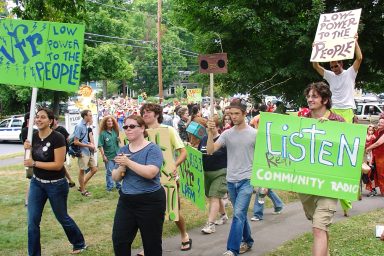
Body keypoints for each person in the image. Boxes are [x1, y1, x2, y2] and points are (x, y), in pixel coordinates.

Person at [23, 108, 87, 255]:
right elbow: (27, 162)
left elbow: (58, 165)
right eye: (37, 117)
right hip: (37, 183)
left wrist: (34, 163)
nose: (39, 119)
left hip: (56, 185)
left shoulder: (57, 138)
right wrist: (26, 149)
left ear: (50, 121)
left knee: (62, 217)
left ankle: (79, 243)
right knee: (32, 222)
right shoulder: (33, 136)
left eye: (43, 117)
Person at [312, 34, 362, 217]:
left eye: (337, 65)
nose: (335, 68)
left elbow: (359, 58)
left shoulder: (350, 73)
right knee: (334, 152)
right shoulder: (330, 75)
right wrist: (316, 49)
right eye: (332, 66)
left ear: (342, 63)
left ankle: (350, 193)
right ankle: (341, 194)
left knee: (345, 150)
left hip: (347, 111)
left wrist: (355, 42)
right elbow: (316, 66)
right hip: (333, 112)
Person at [300, 82, 345, 256]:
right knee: (320, 226)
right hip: (306, 185)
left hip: (329, 185)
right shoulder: (302, 119)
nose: (310, 99)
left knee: (318, 228)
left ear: (325, 99)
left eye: (314, 96)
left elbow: (349, 149)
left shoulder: (337, 120)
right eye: (309, 96)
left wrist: (331, 129)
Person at [207, 98, 257, 256]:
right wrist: (210, 133)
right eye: (230, 114)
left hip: (247, 180)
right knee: (240, 214)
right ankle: (248, 241)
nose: (233, 116)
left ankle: (232, 249)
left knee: (238, 214)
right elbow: (210, 150)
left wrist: (262, 181)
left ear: (244, 113)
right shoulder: (227, 134)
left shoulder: (255, 134)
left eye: (236, 114)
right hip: (231, 180)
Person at [140, 103, 191, 251]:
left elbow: (183, 152)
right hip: (147, 179)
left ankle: (184, 235)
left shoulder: (168, 130)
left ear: (157, 114)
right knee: (149, 215)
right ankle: (150, 246)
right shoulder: (140, 132)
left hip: (168, 177)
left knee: (173, 211)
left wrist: (174, 165)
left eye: (148, 111)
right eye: (143, 112)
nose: (145, 114)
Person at [111, 115, 165, 256]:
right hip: (127, 200)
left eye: (132, 126)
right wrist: (121, 168)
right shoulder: (123, 150)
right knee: (119, 240)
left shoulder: (153, 149)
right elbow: (116, 177)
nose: (128, 129)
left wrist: (128, 163)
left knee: (151, 244)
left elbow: (151, 172)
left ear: (142, 128)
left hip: (150, 201)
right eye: (126, 127)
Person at [198, 117, 228, 234]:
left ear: (218, 127)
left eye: (213, 126)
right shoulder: (204, 139)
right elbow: (200, 153)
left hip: (220, 172)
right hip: (206, 173)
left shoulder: (222, 139)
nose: (209, 129)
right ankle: (224, 215)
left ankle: (210, 224)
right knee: (214, 196)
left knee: (214, 197)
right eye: (208, 126)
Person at [73, 110, 98, 197]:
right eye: (90, 115)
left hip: (88, 151)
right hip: (82, 152)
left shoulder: (86, 126)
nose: (91, 117)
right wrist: (88, 146)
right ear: (85, 116)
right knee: (82, 170)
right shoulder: (79, 126)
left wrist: (90, 145)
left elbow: (86, 138)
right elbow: (76, 142)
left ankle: (81, 185)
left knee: (94, 169)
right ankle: (83, 190)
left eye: (91, 115)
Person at [98, 115, 121, 192]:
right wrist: (103, 156)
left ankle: (119, 186)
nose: (110, 122)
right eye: (108, 121)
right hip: (108, 156)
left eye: (111, 121)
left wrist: (119, 140)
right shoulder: (102, 134)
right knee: (109, 172)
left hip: (117, 155)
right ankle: (109, 187)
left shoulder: (116, 132)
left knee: (118, 170)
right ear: (105, 123)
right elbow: (100, 145)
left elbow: (120, 143)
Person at [52, 115, 76, 188]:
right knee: (60, 166)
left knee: (60, 166)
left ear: (57, 121)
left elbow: (68, 138)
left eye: (54, 119)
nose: (53, 121)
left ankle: (68, 180)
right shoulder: (49, 130)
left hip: (62, 150)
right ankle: (69, 180)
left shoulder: (61, 129)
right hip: (53, 151)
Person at [20, 112, 37, 207]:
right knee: (33, 179)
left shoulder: (32, 130)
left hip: (33, 156)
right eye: (34, 118)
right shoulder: (27, 131)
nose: (36, 120)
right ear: (28, 120)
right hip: (30, 156)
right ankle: (27, 200)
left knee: (34, 179)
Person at [366, 118, 384, 197]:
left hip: (382, 157)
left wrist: (369, 148)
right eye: (379, 122)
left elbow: (378, 143)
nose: (379, 123)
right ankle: (373, 190)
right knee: (371, 172)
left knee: (381, 174)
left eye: (382, 123)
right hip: (374, 156)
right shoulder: (376, 131)